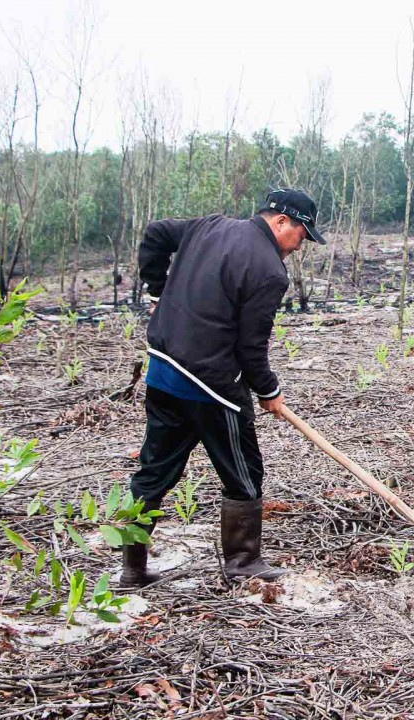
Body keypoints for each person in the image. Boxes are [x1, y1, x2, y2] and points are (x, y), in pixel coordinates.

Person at [121, 189, 326, 588]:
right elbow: (251, 347)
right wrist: (269, 391)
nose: (299, 245)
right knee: (244, 474)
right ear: (282, 221)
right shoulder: (268, 270)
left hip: (162, 370)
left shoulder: (208, 225)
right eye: (301, 235)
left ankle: (132, 568)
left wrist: (156, 290)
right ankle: (243, 562)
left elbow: (155, 233)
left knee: (153, 475)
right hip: (211, 387)